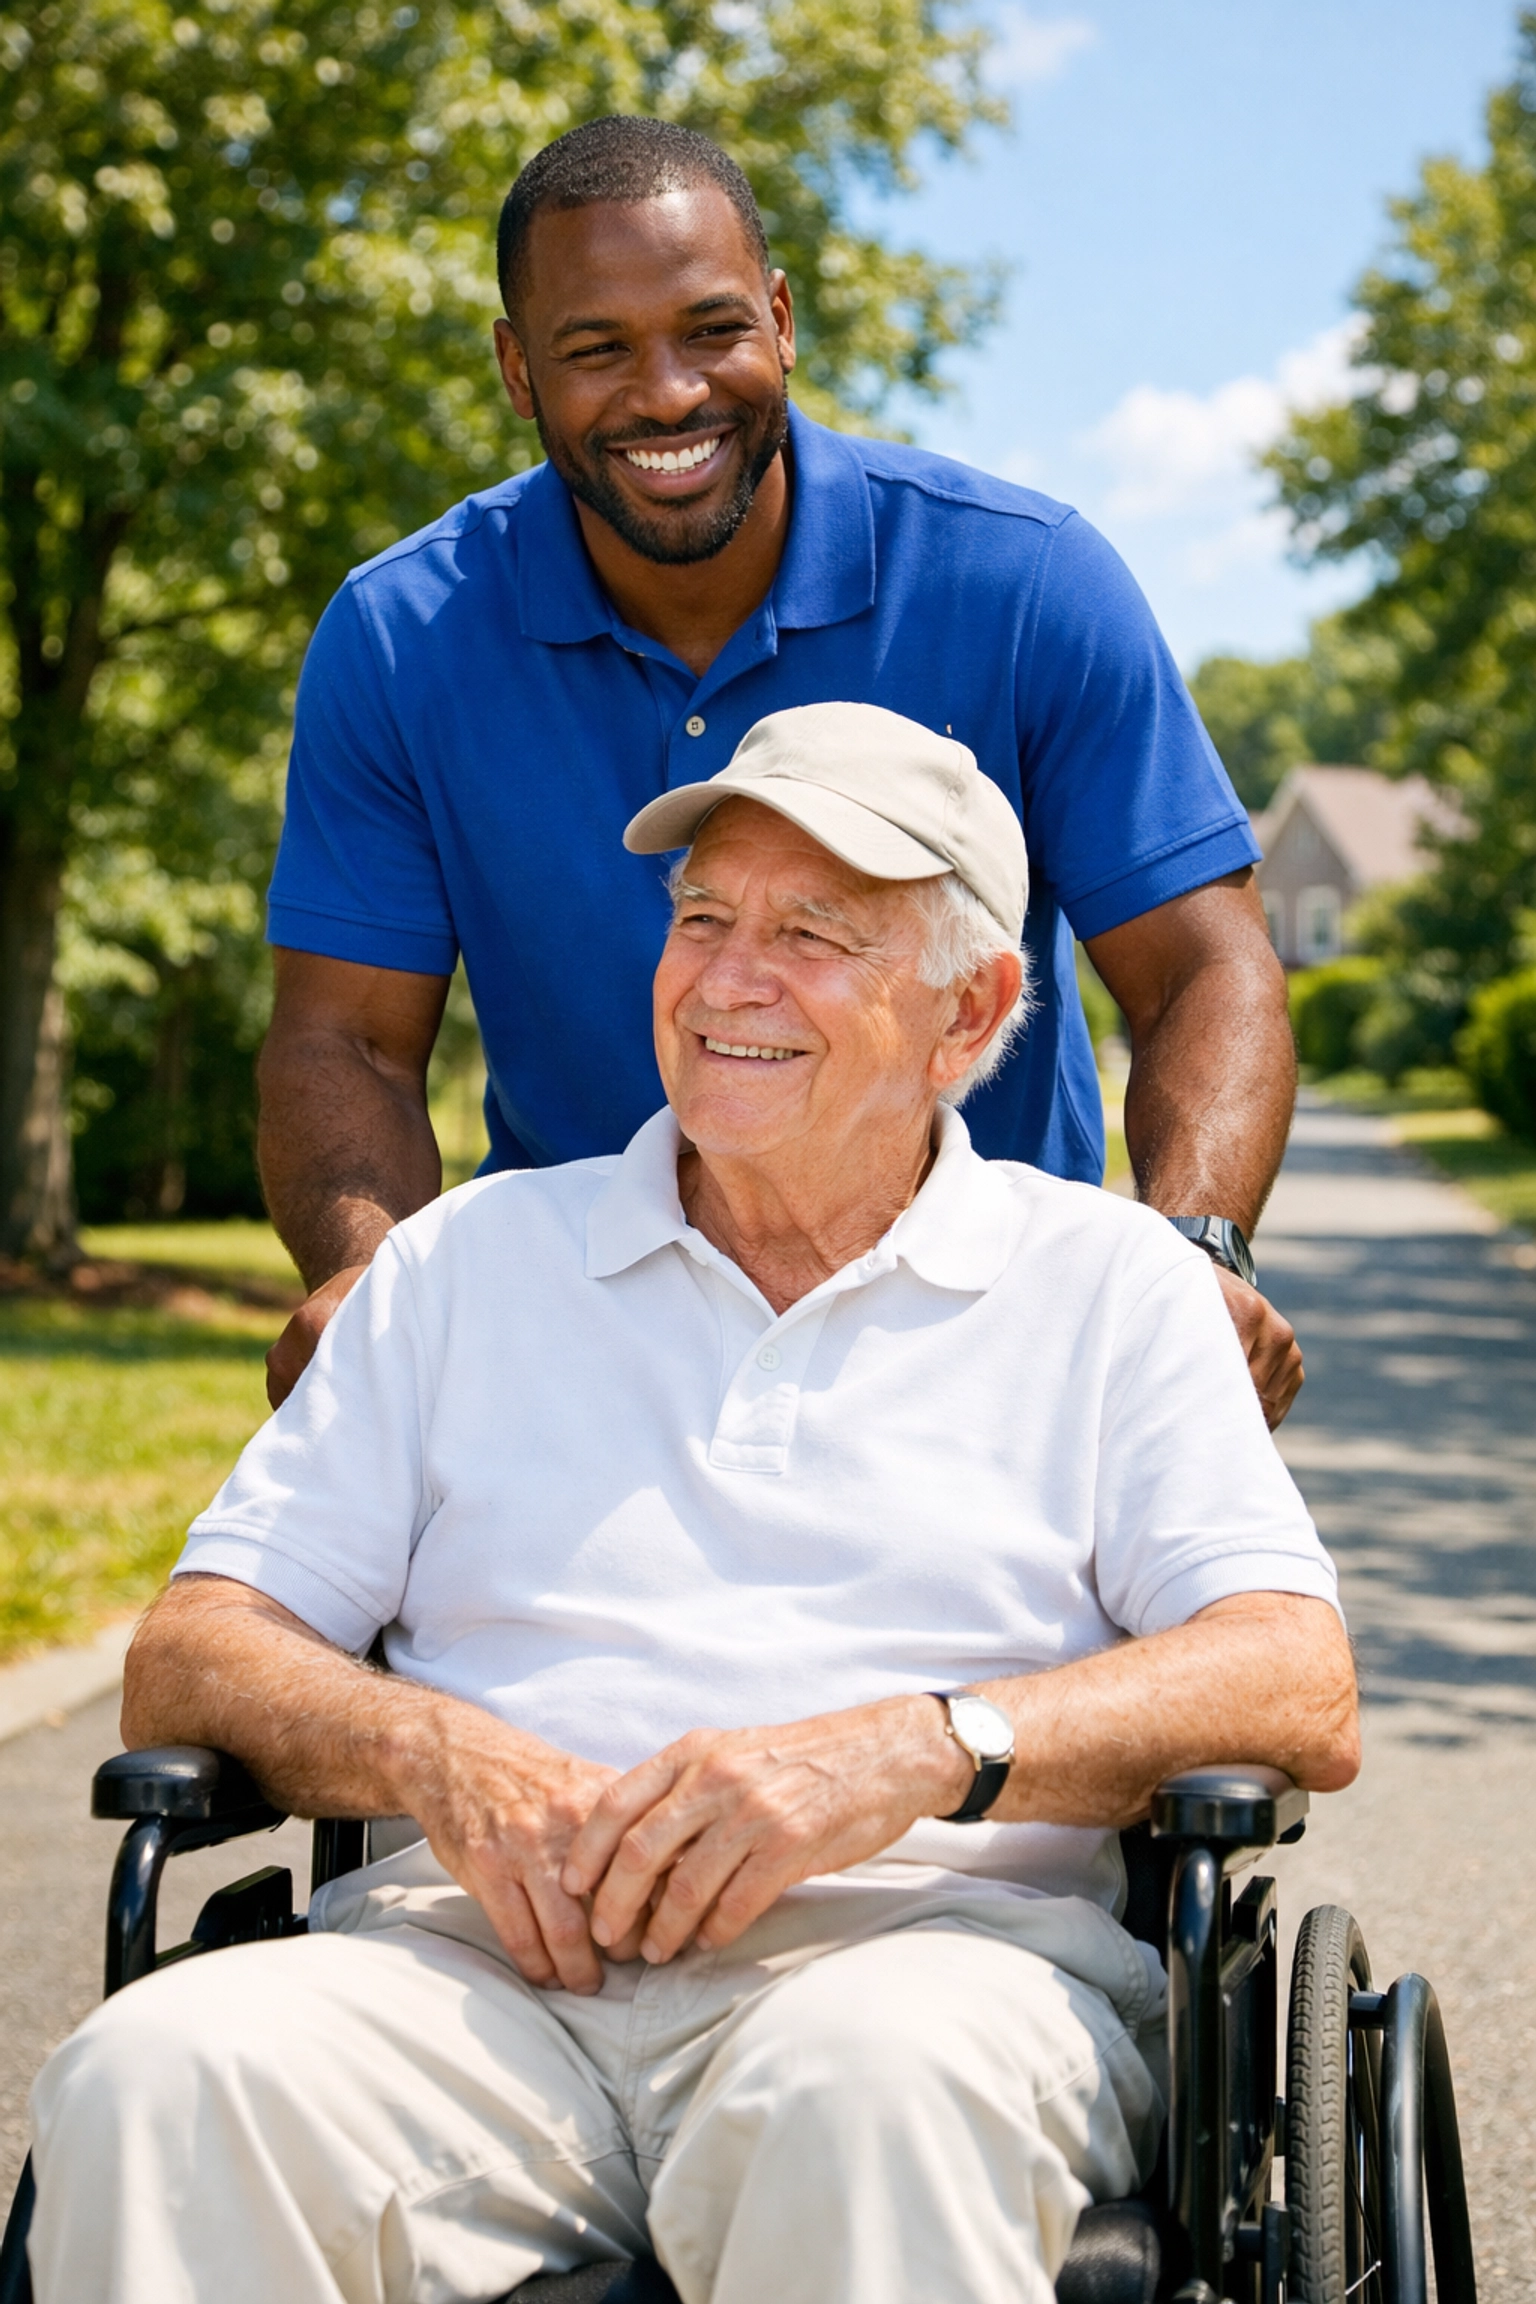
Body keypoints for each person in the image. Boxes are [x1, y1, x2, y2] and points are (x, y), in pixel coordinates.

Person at [29, 704, 1356, 2304]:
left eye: (812, 934)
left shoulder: (1109, 1286)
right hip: (472, 1981)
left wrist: (916, 1749)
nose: (729, 977)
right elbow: (193, 1650)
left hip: (920, 1973)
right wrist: (428, 1751)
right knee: (159, 2075)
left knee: (870, 2092)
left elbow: (1293, 1676)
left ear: (971, 1011)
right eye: (704, 919)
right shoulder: (464, 1265)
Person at [257, 114, 1305, 1428]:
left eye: (712, 330)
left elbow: (1203, 965)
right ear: (519, 373)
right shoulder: (400, 635)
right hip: (569, 1362)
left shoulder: (1028, 581)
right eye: (596, 350)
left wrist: (1191, 1254)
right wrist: (373, 1279)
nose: (670, 393)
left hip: (985, 1353)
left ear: (785, 319)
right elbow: (342, 1035)